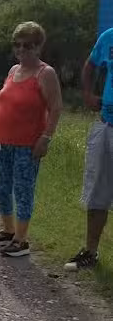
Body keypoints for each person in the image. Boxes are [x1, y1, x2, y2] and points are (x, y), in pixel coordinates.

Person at [0, 21, 63, 257]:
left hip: (26, 146)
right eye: (17, 45)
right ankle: (8, 231)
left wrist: (45, 138)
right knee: (0, 187)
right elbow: (4, 105)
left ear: (38, 47)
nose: (21, 50)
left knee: (22, 189)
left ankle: (21, 240)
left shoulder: (45, 73)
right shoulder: (12, 71)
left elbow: (56, 108)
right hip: (3, 142)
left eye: (27, 45)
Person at [64, 26, 113, 271]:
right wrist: (87, 93)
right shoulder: (109, 37)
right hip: (106, 125)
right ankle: (90, 252)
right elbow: (90, 65)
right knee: (97, 193)